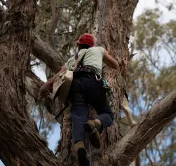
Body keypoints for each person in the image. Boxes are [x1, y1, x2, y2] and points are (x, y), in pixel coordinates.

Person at [40, 33, 119, 166]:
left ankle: (80, 147)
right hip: (93, 82)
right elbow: (115, 65)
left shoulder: (72, 59)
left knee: (78, 116)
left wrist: (44, 88)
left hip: (75, 86)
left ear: (78, 45)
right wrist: (106, 58)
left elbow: (57, 77)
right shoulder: (98, 50)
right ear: (92, 44)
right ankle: (95, 123)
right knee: (108, 115)